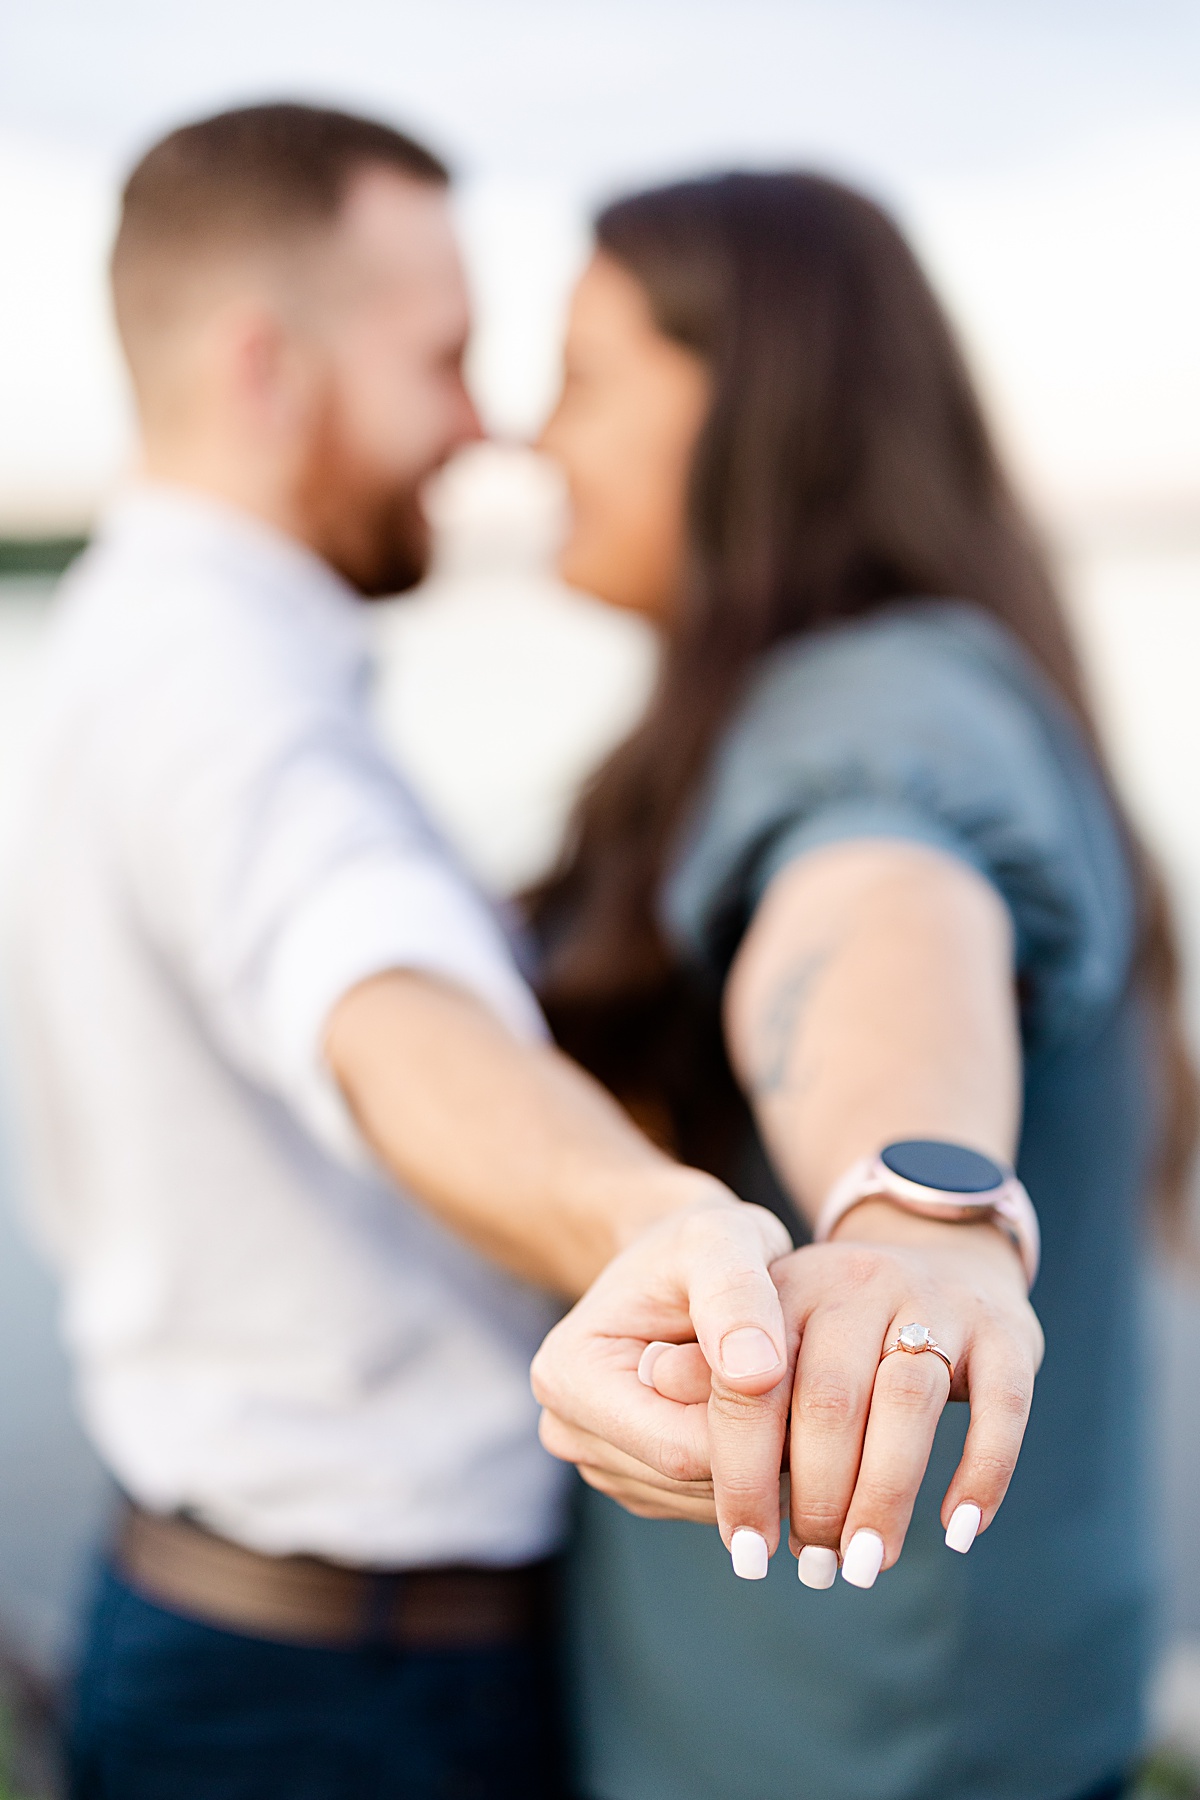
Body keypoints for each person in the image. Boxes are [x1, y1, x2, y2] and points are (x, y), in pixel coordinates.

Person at [4, 107, 796, 1800]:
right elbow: (377, 998)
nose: (481, 424)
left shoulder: (152, 642)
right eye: (440, 360)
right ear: (265, 369)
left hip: (259, 1639)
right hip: (336, 1703)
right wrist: (657, 1231)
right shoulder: (221, 700)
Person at [528, 171, 1196, 1800]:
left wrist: (909, 1217)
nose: (533, 438)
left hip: (876, 1741)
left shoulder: (881, 696)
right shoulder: (813, 688)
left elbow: (885, 889)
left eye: (584, 380)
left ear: (759, 401)